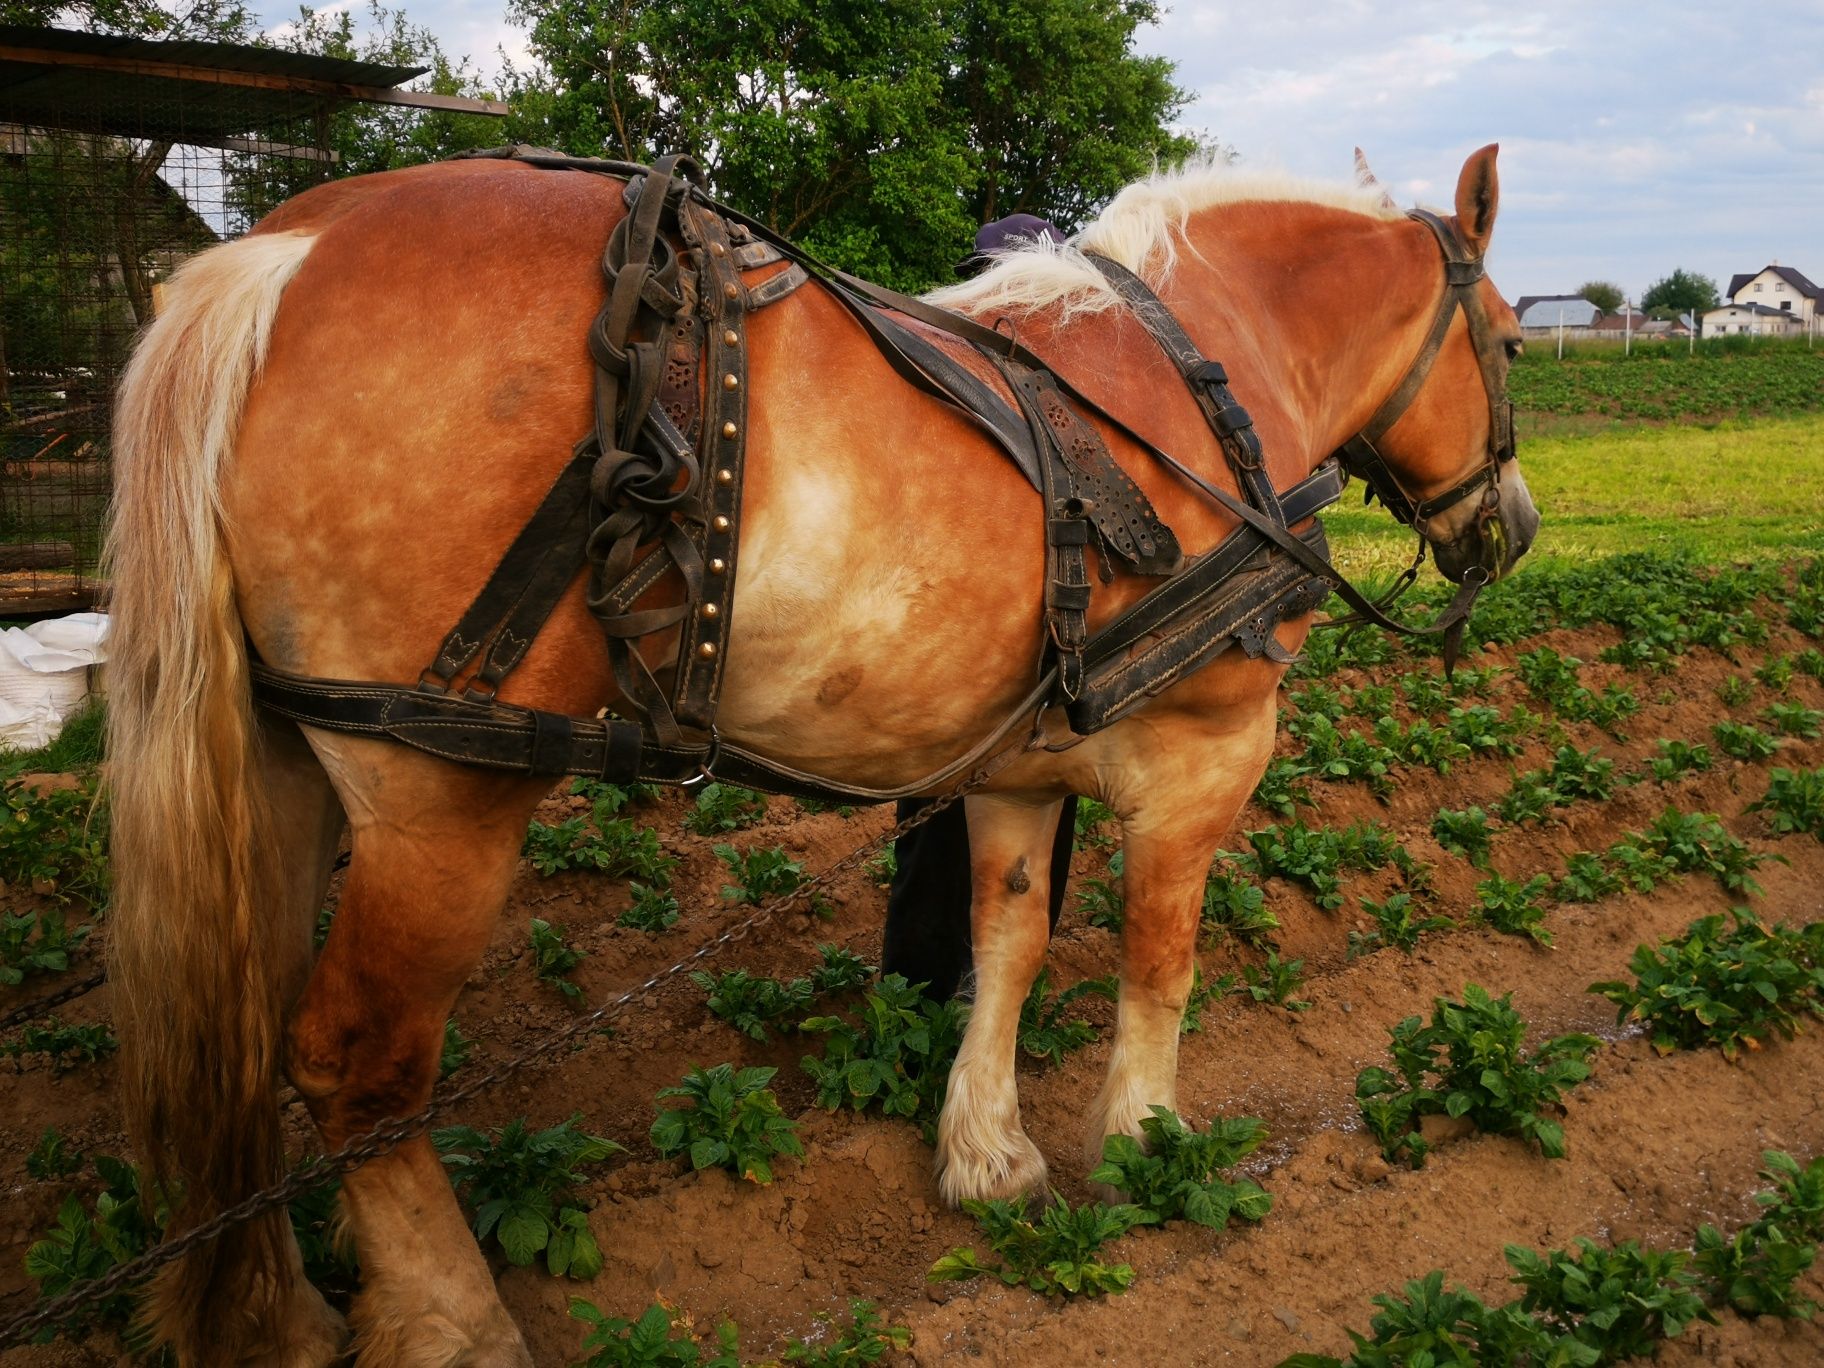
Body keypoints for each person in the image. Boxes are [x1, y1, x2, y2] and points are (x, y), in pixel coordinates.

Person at [881, 211, 1076, 1001]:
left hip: (1044, 650)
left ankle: (991, 986)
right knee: (935, 830)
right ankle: (920, 998)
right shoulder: (941, 383)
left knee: (1038, 826)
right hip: (954, 649)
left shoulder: (1071, 399)